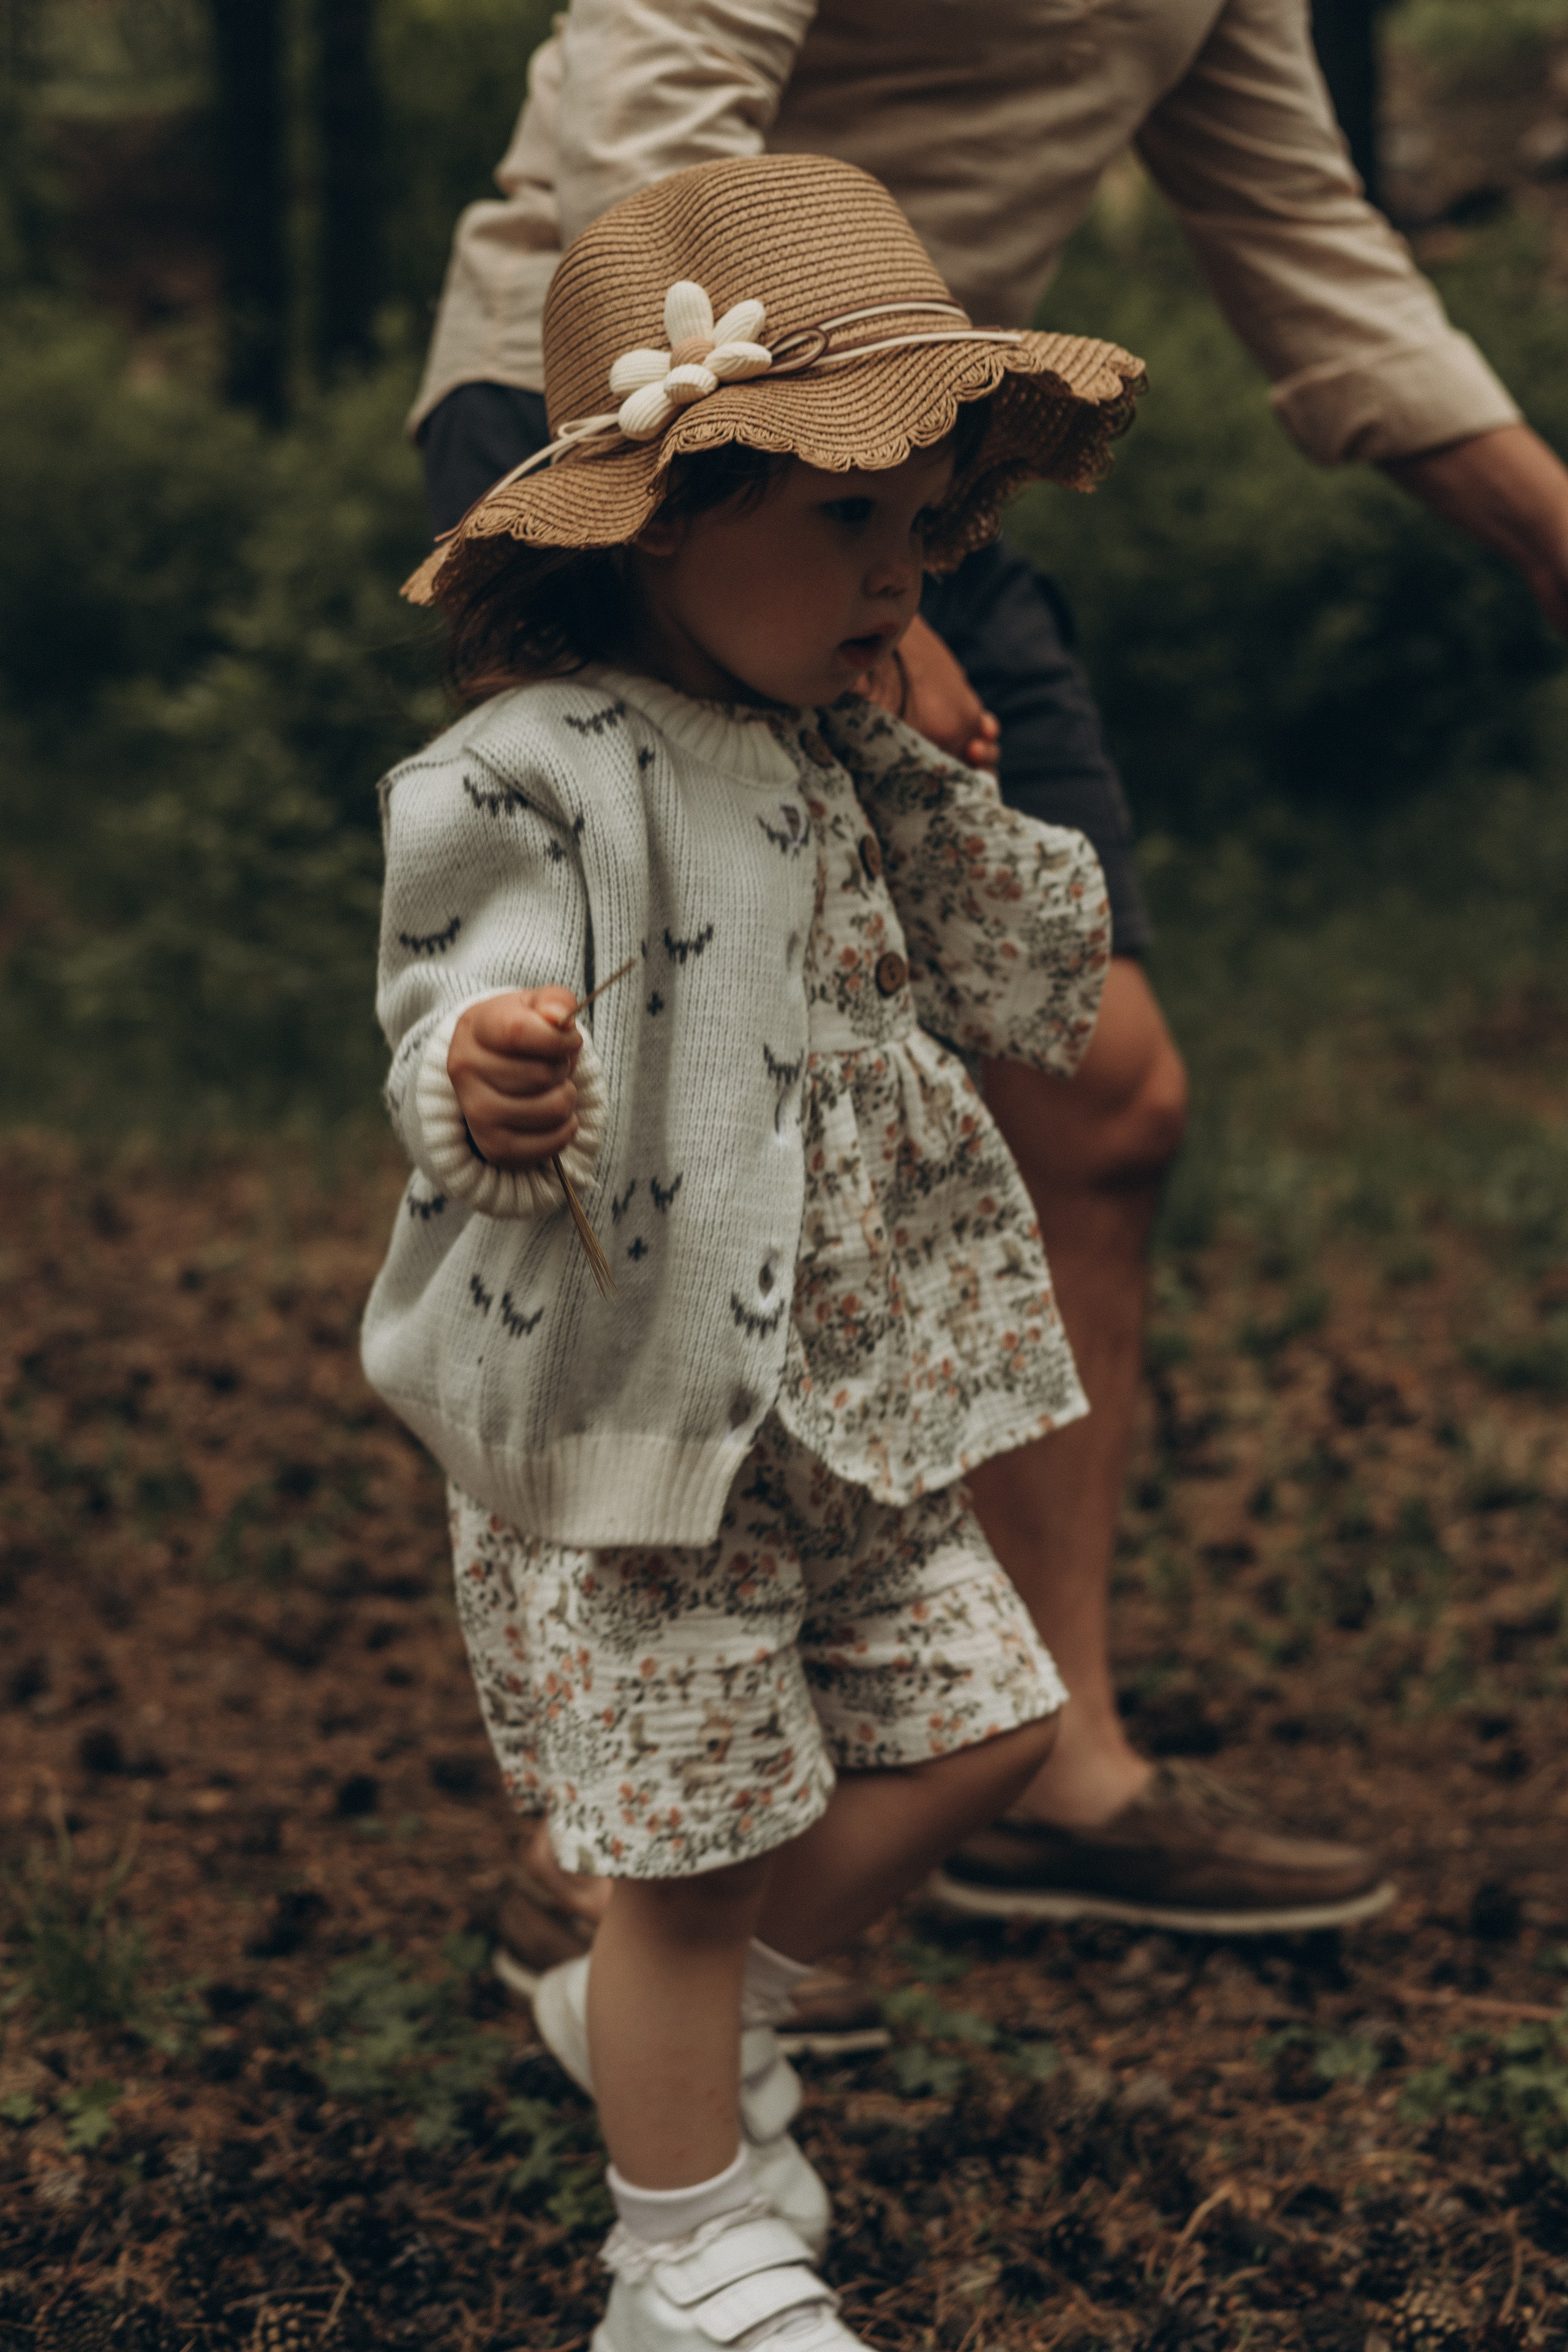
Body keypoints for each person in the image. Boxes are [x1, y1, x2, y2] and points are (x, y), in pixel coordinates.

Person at [410, 0, 1568, 1948]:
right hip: (642, 423)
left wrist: (1547, 522)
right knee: (667, 1117)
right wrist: (827, 570)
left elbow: (1303, 235)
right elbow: (649, 114)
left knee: (1103, 1095)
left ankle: (1028, 1766)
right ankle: (622, 1840)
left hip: (913, 460)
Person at [362, 149, 1144, 2344]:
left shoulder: (833, 741)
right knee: (685, 1864)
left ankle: (666, 2022)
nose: (901, 573)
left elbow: (1023, 970)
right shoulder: (537, 764)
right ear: (662, 520)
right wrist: (488, 1071)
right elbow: (460, 989)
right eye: (848, 520)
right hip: (645, 1425)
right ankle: (684, 2254)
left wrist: (934, 754)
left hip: (865, 1413)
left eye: (927, 526)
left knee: (990, 1732)